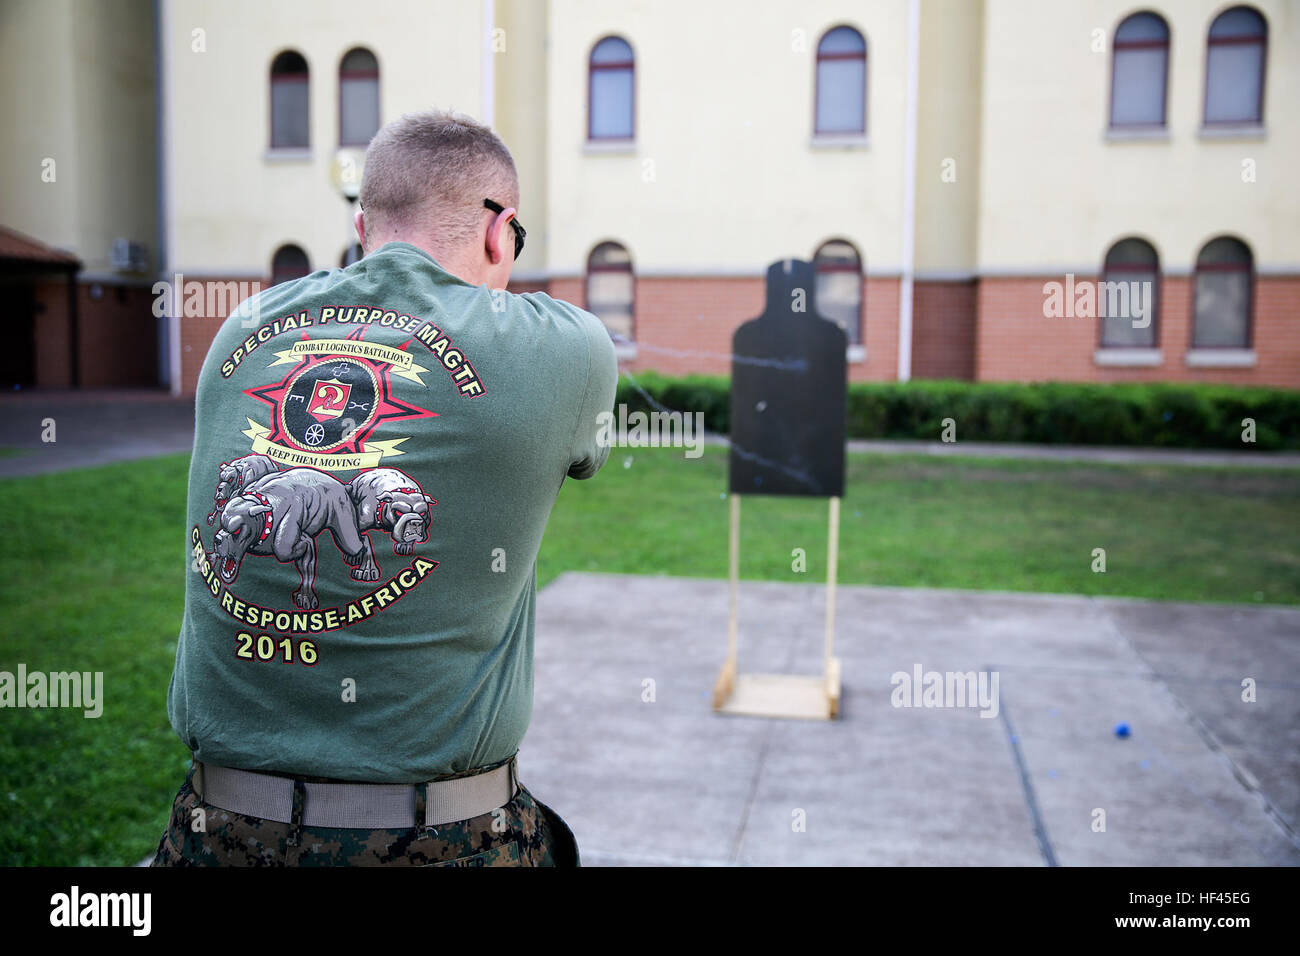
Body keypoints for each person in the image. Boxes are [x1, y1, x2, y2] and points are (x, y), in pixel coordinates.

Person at [151, 109, 617, 866]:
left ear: (363, 226)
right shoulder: (567, 349)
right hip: (436, 842)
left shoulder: (242, 327)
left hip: (216, 833)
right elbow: (582, 453)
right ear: (500, 233)